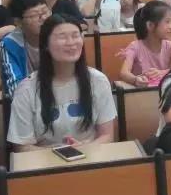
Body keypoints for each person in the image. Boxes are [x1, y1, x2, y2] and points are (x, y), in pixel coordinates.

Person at [7, 15, 117, 150]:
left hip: (91, 156)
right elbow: (22, 147)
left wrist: (84, 149)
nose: (71, 43)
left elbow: (107, 135)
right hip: (44, 159)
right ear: (46, 45)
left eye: (75, 36)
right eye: (62, 37)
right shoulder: (27, 89)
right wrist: (61, 152)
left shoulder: (98, 80)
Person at [0, 0, 51, 99]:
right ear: (18, 22)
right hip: (25, 103)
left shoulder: (58, 37)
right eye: (35, 15)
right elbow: (15, 87)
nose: (43, 18)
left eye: (45, 12)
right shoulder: (9, 44)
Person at [119, 1, 171, 88]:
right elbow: (124, 73)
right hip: (142, 93)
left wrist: (163, 73)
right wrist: (135, 80)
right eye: (167, 22)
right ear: (150, 25)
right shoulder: (135, 47)